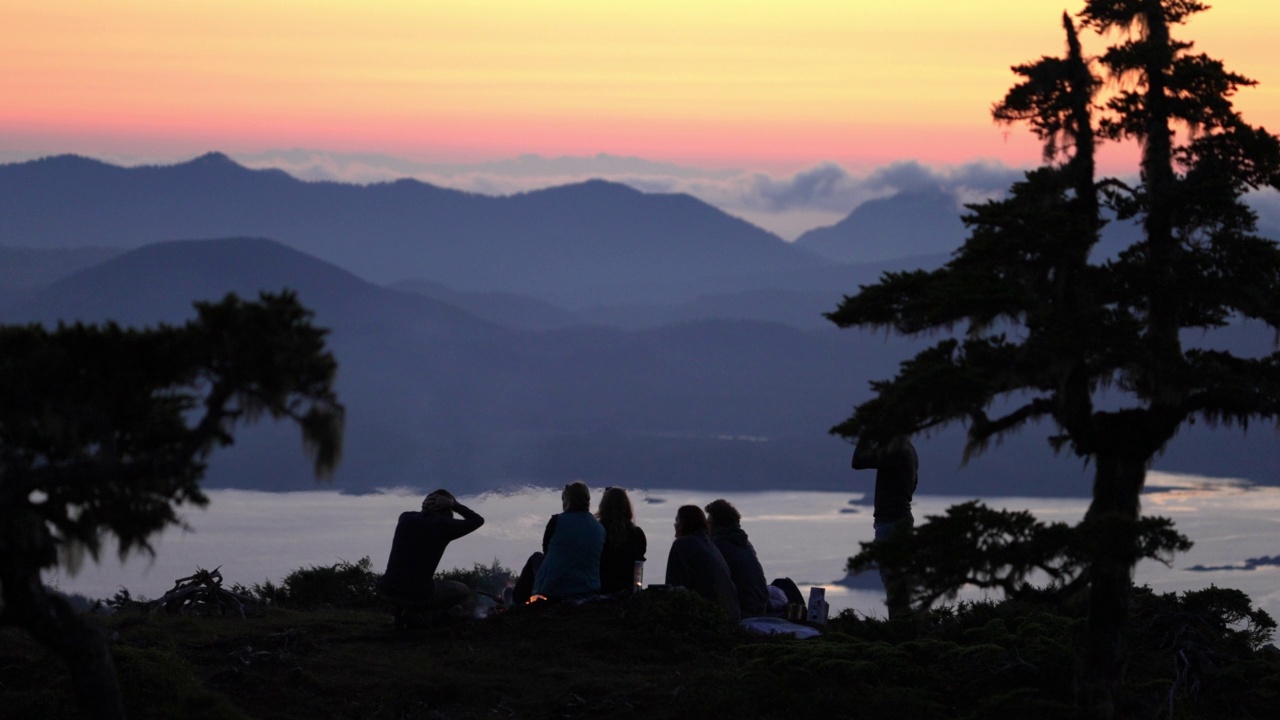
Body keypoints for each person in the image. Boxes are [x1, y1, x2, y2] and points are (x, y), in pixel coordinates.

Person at [377, 488, 485, 627]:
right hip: (416, 594)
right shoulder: (445, 525)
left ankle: (405, 612)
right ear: (446, 508)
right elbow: (478, 520)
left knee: (417, 582)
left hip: (386, 589)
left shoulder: (405, 517)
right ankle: (424, 616)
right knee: (462, 590)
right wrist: (454, 505)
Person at [852, 434, 919, 619]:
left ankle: (898, 633)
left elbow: (858, 461)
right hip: (900, 521)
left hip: (892, 524)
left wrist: (864, 433)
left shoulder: (896, 449)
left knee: (894, 585)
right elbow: (912, 487)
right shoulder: (909, 449)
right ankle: (901, 630)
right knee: (898, 585)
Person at [512, 482, 606, 602]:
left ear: (567, 500)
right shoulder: (600, 529)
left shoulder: (556, 521)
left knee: (536, 558)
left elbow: (547, 553)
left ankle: (516, 602)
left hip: (556, 589)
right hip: (589, 588)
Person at [665, 505, 741, 623]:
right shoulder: (710, 544)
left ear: (686, 523)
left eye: (677, 520)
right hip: (730, 616)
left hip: (709, 618)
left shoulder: (681, 544)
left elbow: (674, 586)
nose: (674, 524)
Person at [704, 499, 769, 618]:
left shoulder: (718, 545)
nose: (706, 526)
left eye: (708, 523)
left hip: (743, 612)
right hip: (760, 608)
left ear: (717, 525)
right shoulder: (744, 542)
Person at [596, 487, 647, 594]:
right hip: (628, 593)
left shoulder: (597, 532)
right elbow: (638, 567)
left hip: (600, 591)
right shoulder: (637, 534)